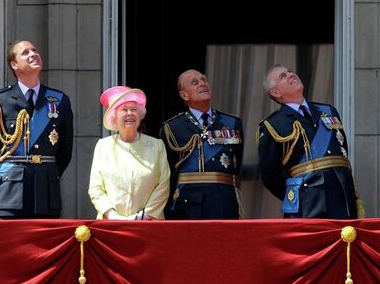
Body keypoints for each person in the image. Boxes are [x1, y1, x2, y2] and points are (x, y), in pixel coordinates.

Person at [0, 39, 73, 218]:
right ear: (14, 64)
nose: (33, 54)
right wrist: (4, 178)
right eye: (25, 52)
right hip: (10, 194)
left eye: (34, 50)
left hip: (46, 193)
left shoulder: (59, 100)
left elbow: (65, 151)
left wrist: (48, 175)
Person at [258, 64, 363, 219]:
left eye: (290, 71)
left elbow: (342, 153)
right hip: (309, 203)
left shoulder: (328, 111)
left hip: (343, 195)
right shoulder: (273, 125)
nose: (290, 75)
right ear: (275, 92)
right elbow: (269, 176)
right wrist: (298, 194)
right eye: (283, 76)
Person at [159, 69, 243, 219]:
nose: (202, 84)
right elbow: (168, 173)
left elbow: (236, 165)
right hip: (188, 203)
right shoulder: (172, 128)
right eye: (195, 82)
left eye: (204, 80)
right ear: (184, 95)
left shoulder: (232, 123)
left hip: (225, 199)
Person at [88, 86, 170, 220]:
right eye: (124, 110)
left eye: (133, 109)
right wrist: (112, 216)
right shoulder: (103, 146)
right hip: (111, 225)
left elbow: (163, 184)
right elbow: (96, 188)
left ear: (140, 115)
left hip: (150, 223)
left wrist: (146, 215)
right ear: (114, 118)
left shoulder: (157, 145)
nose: (129, 113)